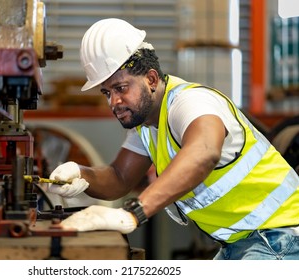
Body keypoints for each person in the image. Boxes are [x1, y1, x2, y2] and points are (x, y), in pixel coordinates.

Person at [46, 18, 299, 260]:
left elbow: (204, 151)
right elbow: (120, 178)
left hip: (281, 236)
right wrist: (80, 174)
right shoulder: (145, 125)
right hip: (242, 243)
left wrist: (133, 213)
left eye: (121, 88)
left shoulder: (190, 102)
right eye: (106, 92)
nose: (114, 102)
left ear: (151, 79)